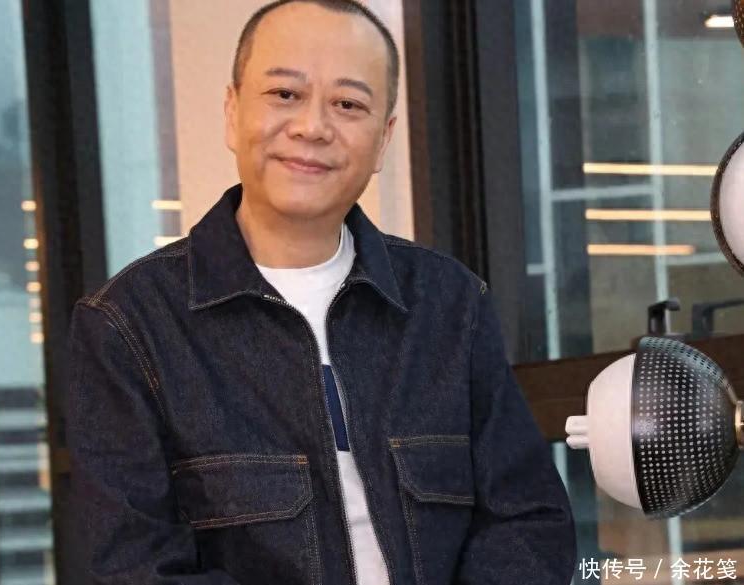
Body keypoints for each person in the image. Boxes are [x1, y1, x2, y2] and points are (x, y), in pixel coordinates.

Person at [65, 1, 576, 584]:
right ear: (232, 111)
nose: (312, 127)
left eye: (348, 104)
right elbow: (134, 567)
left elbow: (528, 519)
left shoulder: (450, 302)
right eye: (284, 94)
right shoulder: (129, 324)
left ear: (383, 139)